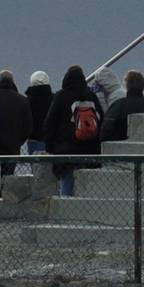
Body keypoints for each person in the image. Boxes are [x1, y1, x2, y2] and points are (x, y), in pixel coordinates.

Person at [45, 65, 104, 197]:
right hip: (90, 149)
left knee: (67, 181)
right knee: (88, 186)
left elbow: (50, 122)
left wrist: (50, 146)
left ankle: (66, 212)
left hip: (66, 149)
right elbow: (101, 118)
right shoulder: (91, 96)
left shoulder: (61, 96)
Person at [0, 69, 33, 184]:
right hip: (13, 144)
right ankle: (7, 199)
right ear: (13, 81)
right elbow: (28, 125)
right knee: (8, 178)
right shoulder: (22, 100)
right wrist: (19, 140)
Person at [100, 69, 144, 142]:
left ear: (126, 85)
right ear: (143, 86)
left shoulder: (118, 105)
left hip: (119, 149)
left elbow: (105, 132)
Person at [25, 71, 53, 154]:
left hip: (33, 139)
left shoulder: (27, 101)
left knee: (36, 165)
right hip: (51, 139)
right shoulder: (55, 99)